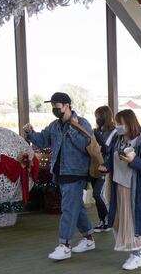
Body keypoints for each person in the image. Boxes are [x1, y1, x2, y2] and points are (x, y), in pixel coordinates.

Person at [23, 92, 95, 260]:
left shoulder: (82, 123)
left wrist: (72, 129)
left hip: (76, 172)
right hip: (60, 173)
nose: (54, 109)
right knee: (76, 206)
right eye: (53, 106)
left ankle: (65, 245)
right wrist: (30, 132)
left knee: (68, 208)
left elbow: (85, 144)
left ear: (66, 105)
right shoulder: (54, 125)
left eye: (56, 106)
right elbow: (42, 140)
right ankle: (89, 239)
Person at [102, 109, 141, 270]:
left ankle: (136, 254)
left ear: (129, 123)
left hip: (133, 188)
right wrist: (105, 166)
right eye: (116, 123)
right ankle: (135, 251)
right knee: (118, 220)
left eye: (120, 123)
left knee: (133, 221)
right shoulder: (117, 140)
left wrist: (134, 160)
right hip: (117, 185)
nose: (117, 126)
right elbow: (111, 159)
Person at [91, 106, 117, 233]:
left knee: (98, 193)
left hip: (106, 167)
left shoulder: (114, 132)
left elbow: (110, 149)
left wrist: (99, 141)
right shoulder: (96, 130)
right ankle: (102, 220)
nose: (97, 119)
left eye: (99, 116)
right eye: (96, 116)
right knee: (96, 195)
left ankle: (108, 220)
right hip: (94, 166)